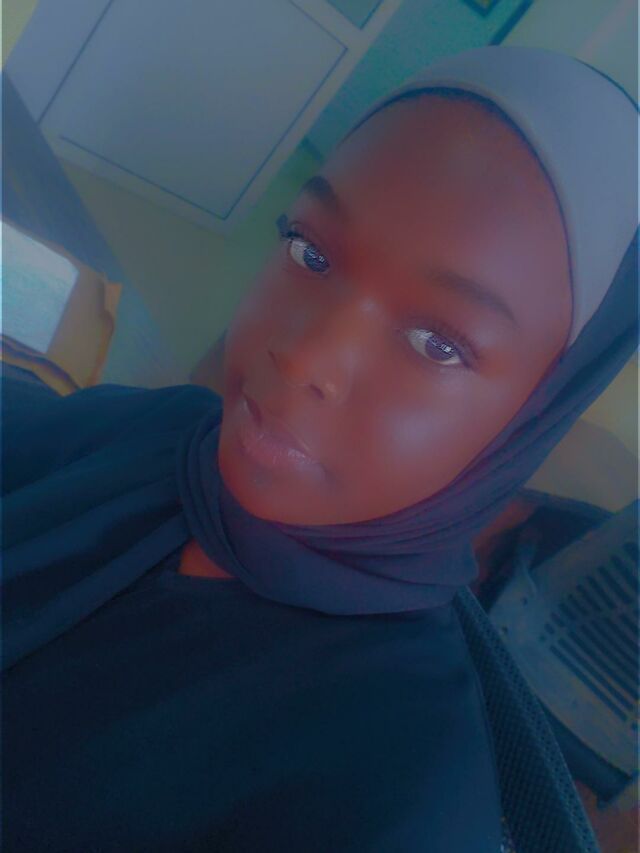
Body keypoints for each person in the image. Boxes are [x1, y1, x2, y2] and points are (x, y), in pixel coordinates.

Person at [2, 45, 637, 852]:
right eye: (311, 251)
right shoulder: (175, 437)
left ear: (530, 420)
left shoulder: (393, 801)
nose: (304, 356)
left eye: (438, 343)